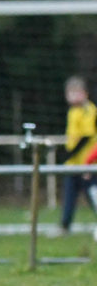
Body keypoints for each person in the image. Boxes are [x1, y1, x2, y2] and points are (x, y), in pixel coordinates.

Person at [57, 76, 97, 236]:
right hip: (73, 164)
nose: (73, 97)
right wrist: (69, 156)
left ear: (85, 94)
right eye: (70, 93)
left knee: (93, 194)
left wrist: (68, 154)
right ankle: (65, 226)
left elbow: (87, 136)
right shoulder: (73, 111)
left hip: (88, 163)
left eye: (77, 93)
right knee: (69, 195)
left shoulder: (89, 110)